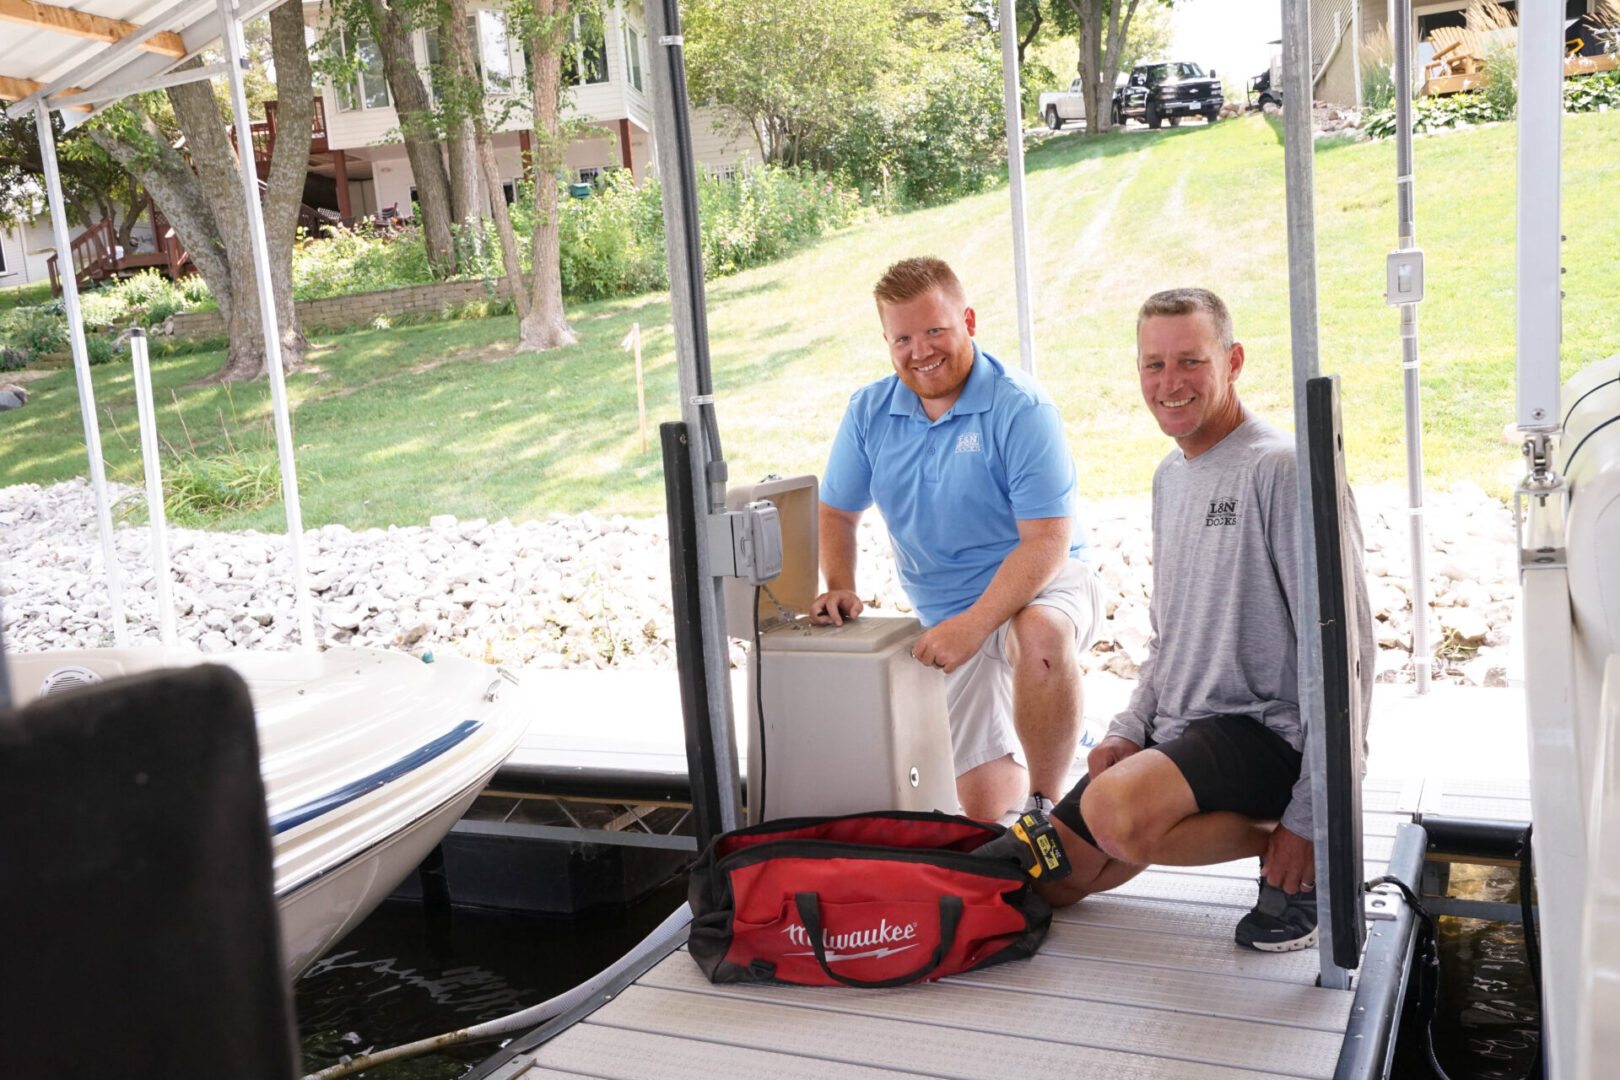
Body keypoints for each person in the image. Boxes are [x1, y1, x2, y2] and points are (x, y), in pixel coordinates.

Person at [1039, 286, 1374, 952]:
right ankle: (1241, 830)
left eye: (1190, 361)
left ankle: (1303, 854)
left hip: (1265, 731)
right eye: (1153, 365)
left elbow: (1350, 653)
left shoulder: (1280, 468)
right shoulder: (1172, 475)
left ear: (1234, 360)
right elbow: (1171, 635)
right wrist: (1131, 729)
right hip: (1186, 729)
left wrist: (1313, 816)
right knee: (1052, 875)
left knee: (1113, 812)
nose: (1171, 383)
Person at [809, 256, 1102, 822]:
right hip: (949, 614)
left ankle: (1050, 807)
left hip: (1044, 582)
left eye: (935, 330)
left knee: (1038, 635)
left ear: (967, 319)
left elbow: (1047, 541)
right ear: (887, 341)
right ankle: (1055, 729)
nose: (921, 350)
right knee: (984, 811)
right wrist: (840, 584)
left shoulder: (1023, 407)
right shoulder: (869, 411)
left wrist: (975, 625)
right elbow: (837, 510)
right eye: (903, 338)